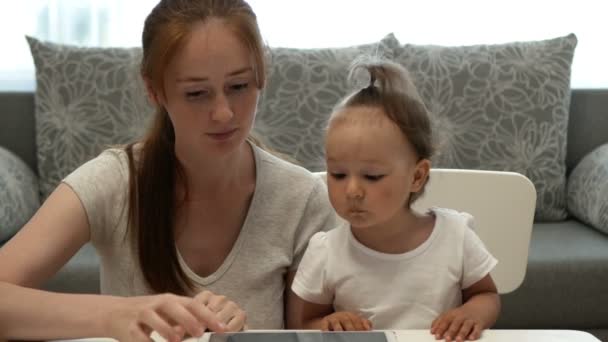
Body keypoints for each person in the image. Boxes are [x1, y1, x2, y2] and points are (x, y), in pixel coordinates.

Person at [0, 0, 338, 341]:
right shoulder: (113, 182)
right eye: (196, 93)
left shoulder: (303, 199)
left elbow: (311, 331)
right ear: (153, 89)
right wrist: (115, 315)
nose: (223, 113)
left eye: (238, 87)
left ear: (261, 76)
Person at [289, 58, 501, 341]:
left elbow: (486, 295)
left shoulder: (455, 235)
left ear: (417, 176)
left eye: (372, 176)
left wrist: (472, 314)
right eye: (338, 174)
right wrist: (329, 323)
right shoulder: (326, 252)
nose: (352, 190)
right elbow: (303, 324)